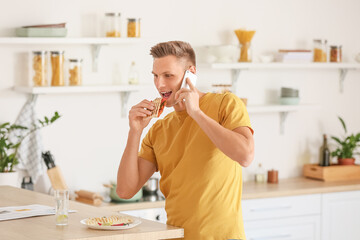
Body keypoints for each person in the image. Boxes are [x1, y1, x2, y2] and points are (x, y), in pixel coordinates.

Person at [117, 41, 254, 240]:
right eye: (155, 76)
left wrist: (196, 113)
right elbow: (125, 190)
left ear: (191, 73)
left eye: (168, 76)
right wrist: (135, 131)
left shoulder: (225, 104)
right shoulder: (159, 130)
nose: (160, 85)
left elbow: (246, 156)